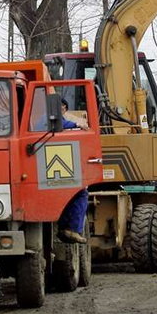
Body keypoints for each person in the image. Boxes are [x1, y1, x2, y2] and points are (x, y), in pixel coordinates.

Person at [58, 98, 88, 243]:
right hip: (56, 166)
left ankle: (65, 227)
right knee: (80, 193)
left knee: (69, 196)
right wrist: (77, 124)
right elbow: (58, 123)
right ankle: (72, 229)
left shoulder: (38, 117)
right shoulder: (50, 119)